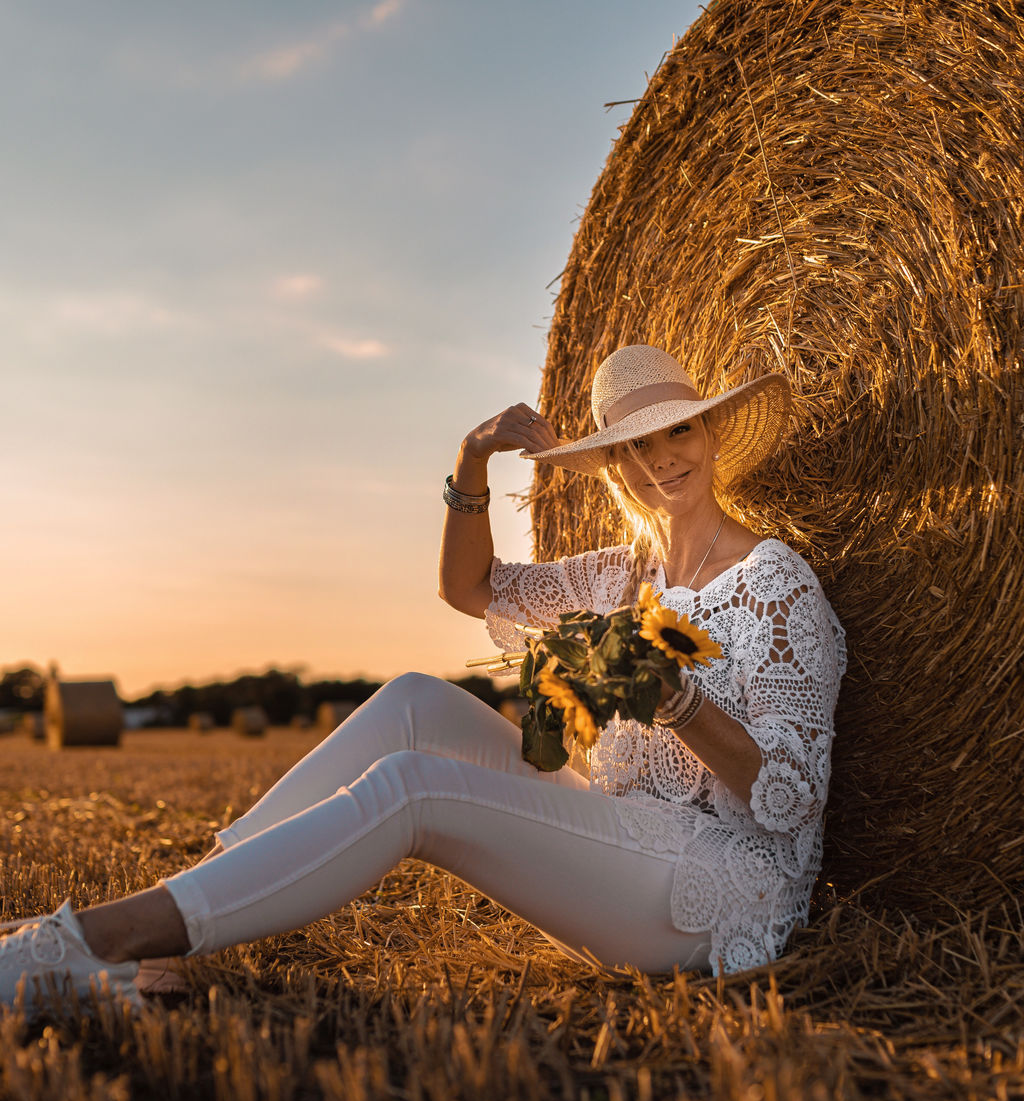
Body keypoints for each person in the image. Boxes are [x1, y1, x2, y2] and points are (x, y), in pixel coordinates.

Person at [0, 344, 845, 1012]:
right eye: (635, 444)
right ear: (614, 465)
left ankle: (94, 940)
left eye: (678, 432)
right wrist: (472, 463)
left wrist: (679, 700)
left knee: (415, 790)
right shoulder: (620, 575)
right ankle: (170, 914)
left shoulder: (774, 584)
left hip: (711, 885)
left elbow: (794, 796)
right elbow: (468, 588)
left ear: (712, 435)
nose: (660, 458)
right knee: (413, 699)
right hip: (615, 833)